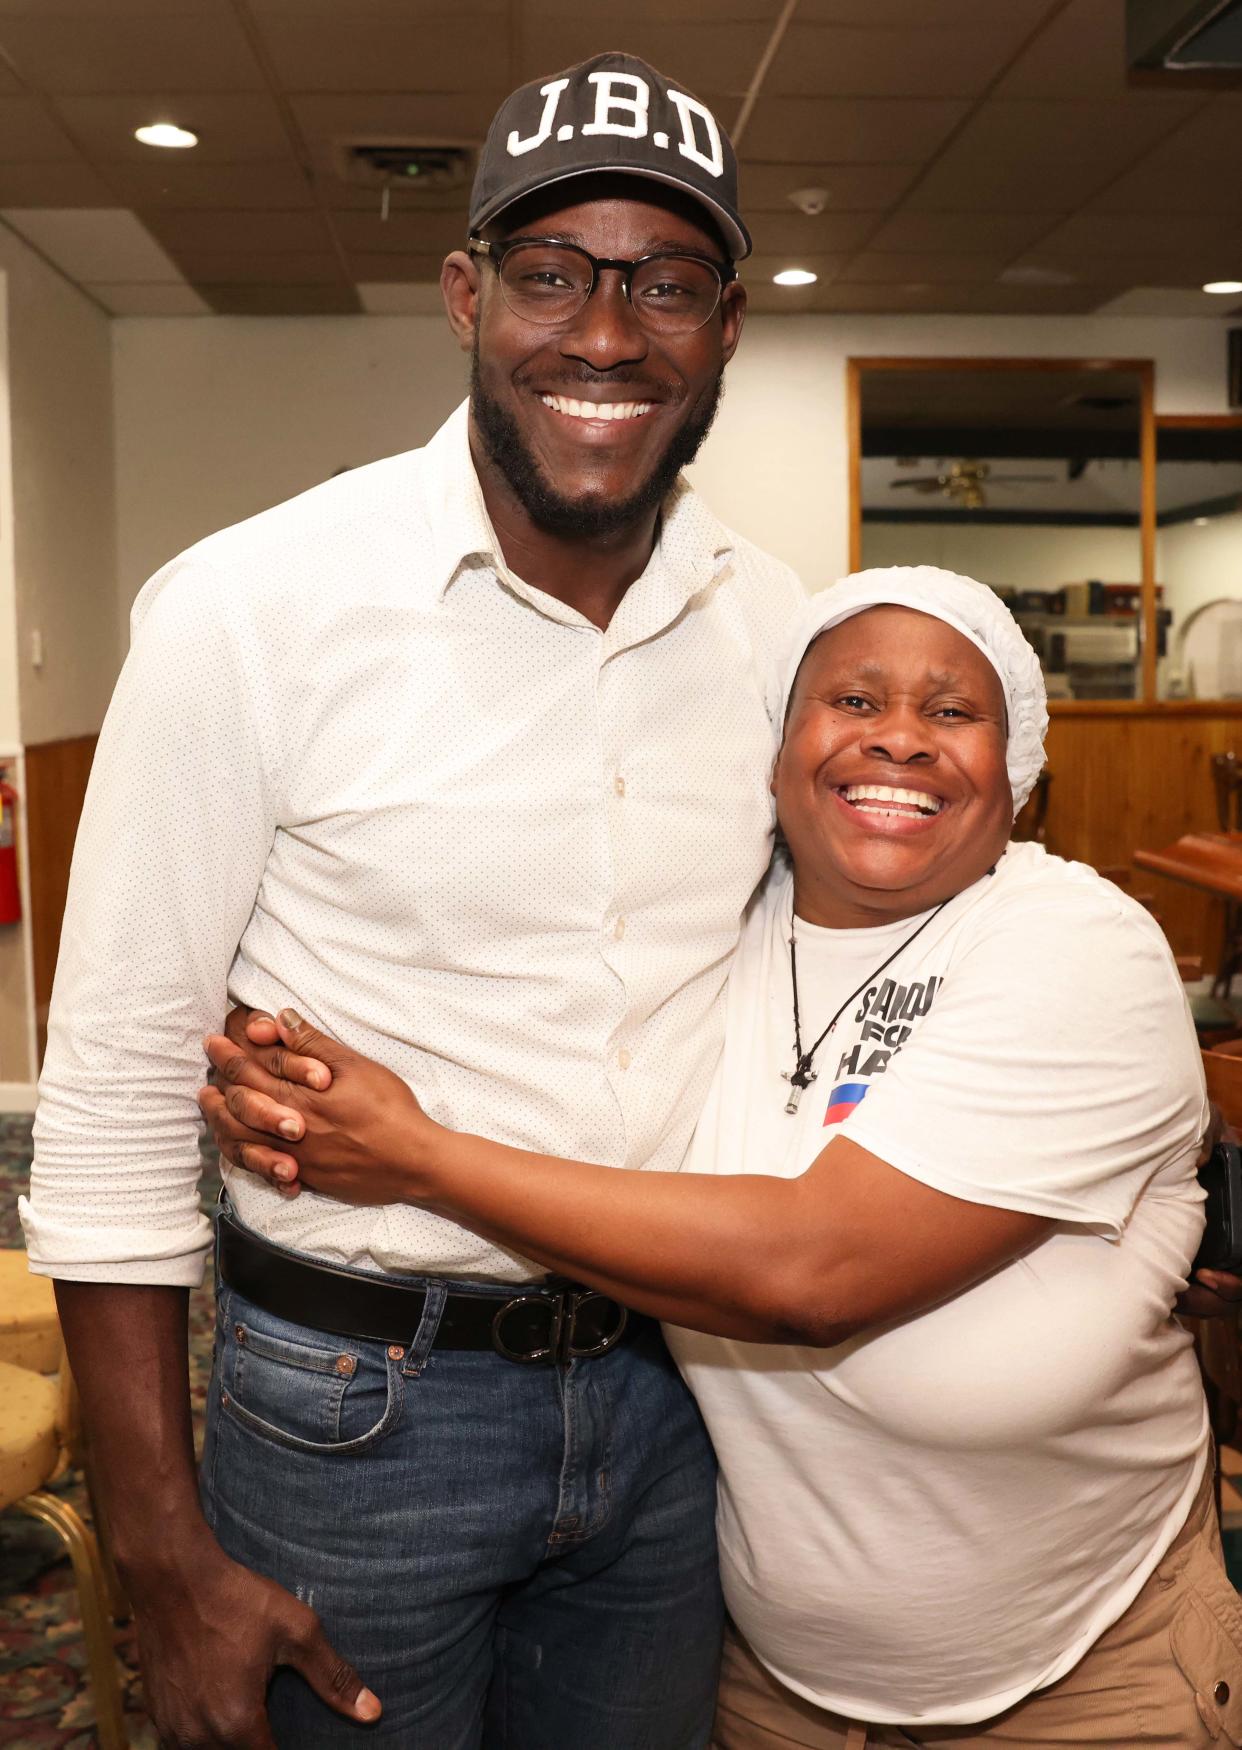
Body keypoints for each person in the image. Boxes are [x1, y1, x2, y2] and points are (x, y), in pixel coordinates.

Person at [21, 51, 806, 1750]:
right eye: (551, 276)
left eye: (666, 285)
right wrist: (160, 1549)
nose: (607, 336)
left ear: (727, 326)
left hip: (687, 1398)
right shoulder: (250, 609)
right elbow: (107, 1092)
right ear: (464, 295)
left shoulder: (782, 635)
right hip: (359, 1407)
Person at [203, 565, 1242, 1749]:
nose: (899, 738)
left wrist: (416, 1156)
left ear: (1019, 772)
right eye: (853, 701)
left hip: (1086, 1672)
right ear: (778, 744)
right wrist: (292, 1071)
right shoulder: (716, 937)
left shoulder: (1073, 942)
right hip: (769, 1685)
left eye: (953, 712)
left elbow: (812, 1273)